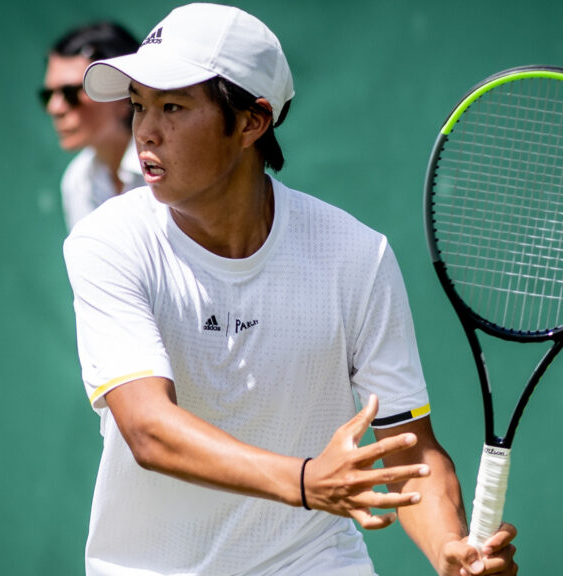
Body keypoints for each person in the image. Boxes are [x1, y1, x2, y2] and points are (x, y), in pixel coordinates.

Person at [63, 4, 519, 575]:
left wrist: (450, 549)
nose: (145, 132)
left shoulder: (355, 255)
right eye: (138, 107)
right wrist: (306, 481)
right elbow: (149, 430)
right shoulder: (108, 241)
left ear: (252, 123)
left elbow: (409, 448)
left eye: (173, 107)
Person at [41, 21, 145, 231]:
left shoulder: (170, 164)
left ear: (124, 92)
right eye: (47, 95)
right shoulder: (77, 181)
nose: (54, 107)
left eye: (70, 93)